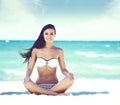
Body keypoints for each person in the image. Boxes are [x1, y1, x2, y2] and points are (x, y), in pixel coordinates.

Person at [20, 24, 74, 96]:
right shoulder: (36, 50)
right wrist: (27, 76)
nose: (49, 36)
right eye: (46, 33)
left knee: (71, 78)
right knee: (26, 82)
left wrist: (68, 74)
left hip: (55, 86)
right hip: (39, 86)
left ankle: (47, 93)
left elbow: (63, 69)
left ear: (55, 35)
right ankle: (55, 94)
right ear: (43, 35)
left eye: (52, 34)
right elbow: (30, 68)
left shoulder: (59, 51)